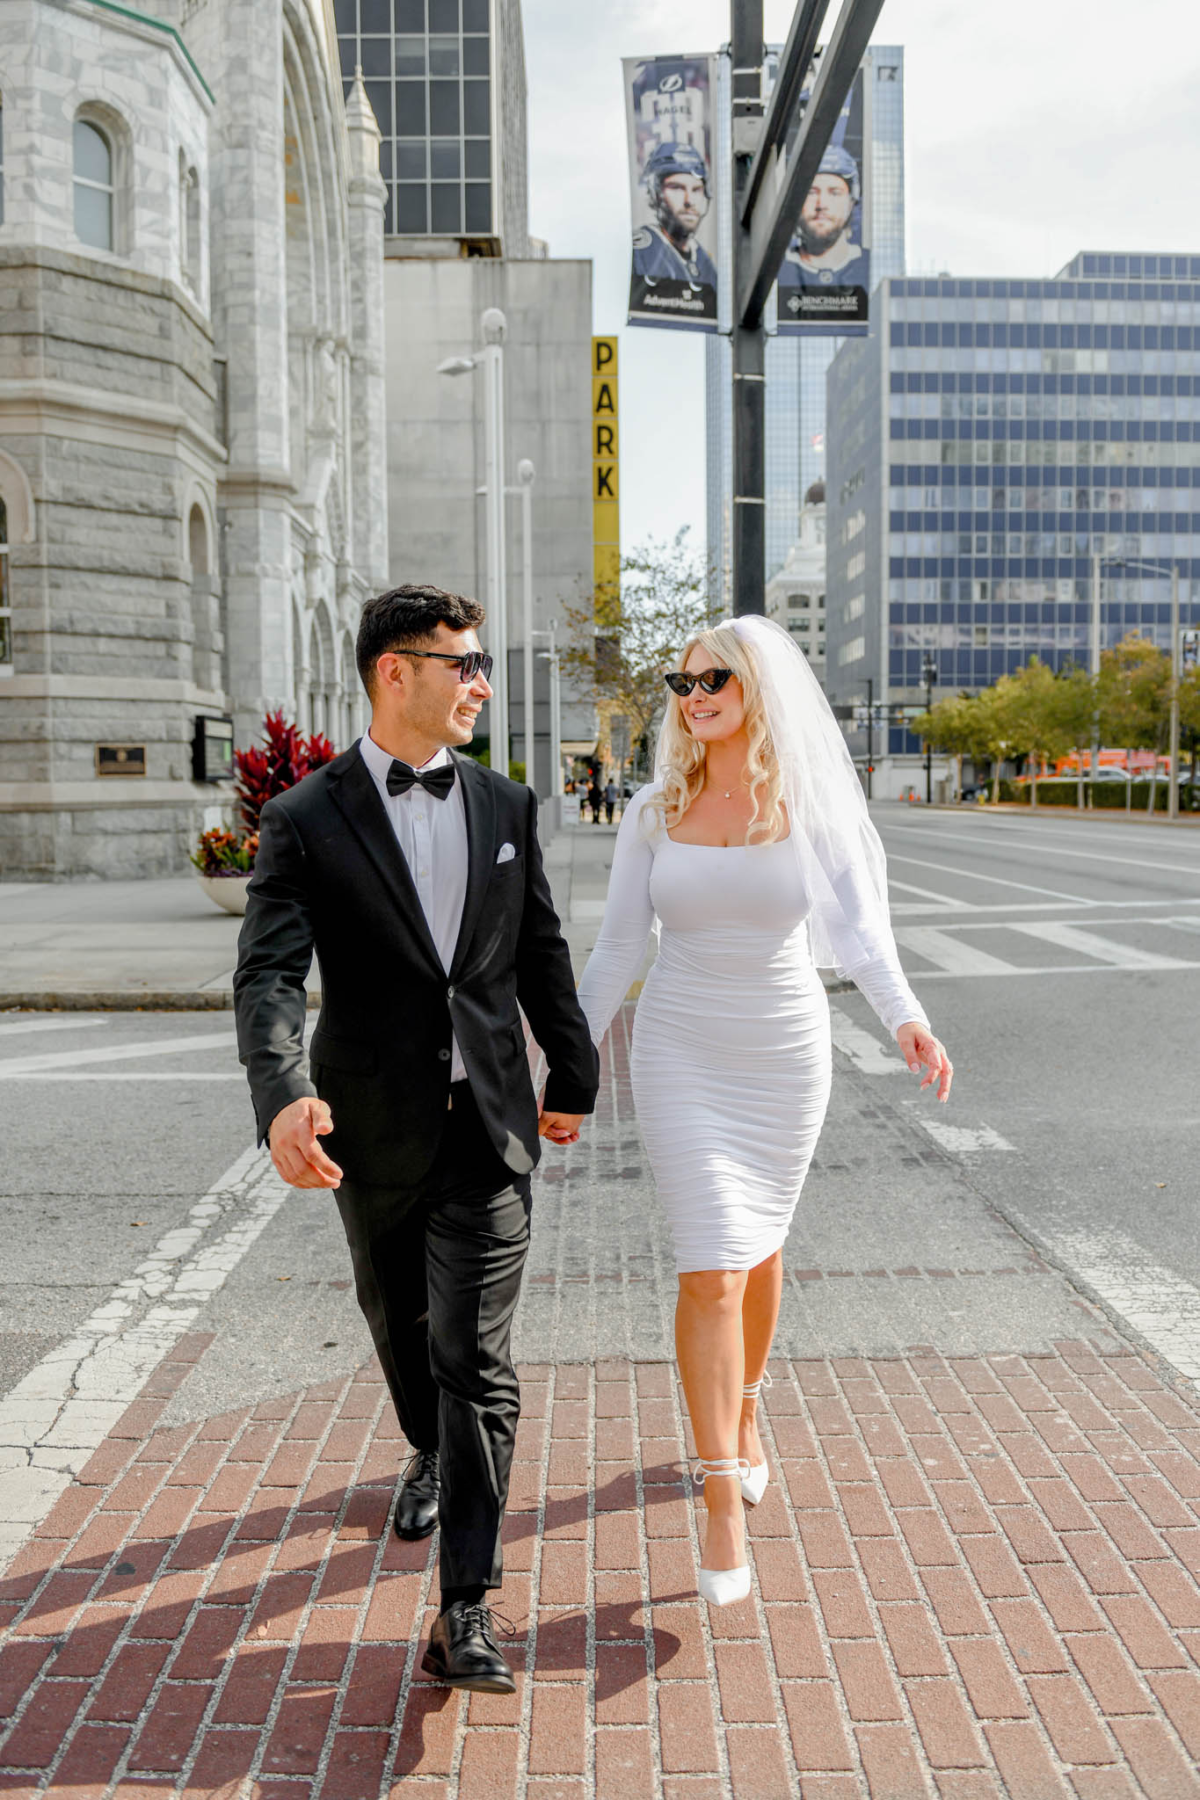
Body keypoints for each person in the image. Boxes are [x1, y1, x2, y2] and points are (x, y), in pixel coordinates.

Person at [233, 584, 599, 1692]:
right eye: (465, 663)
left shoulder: (506, 804)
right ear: (397, 672)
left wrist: (574, 1067)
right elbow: (268, 972)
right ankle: (425, 1447)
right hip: (371, 1127)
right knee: (402, 1327)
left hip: (490, 1123)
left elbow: (538, 951)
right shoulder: (304, 816)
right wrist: (283, 1093)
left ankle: (466, 1605)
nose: (480, 682)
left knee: (476, 1361)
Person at [576, 616, 951, 1607]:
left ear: (758, 692)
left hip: (785, 1053)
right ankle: (717, 1499)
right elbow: (617, 950)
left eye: (715, 683)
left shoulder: (811, 807)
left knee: (760, 1248)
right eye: (683, 683)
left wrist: (907, 1021)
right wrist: (565, 1056)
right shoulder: (654, 812)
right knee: (709, 1268)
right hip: (682, 1049)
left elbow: (864, 939)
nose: (695, 699)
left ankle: (745, 1412)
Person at [777, 145, 869, 292]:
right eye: (811, 192)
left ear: (851, 202)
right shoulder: (775, 267)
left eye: (834, 193)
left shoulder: (870, 265)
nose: (822, 204)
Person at [631, 141, 718, 290]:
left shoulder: (705, 263)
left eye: (696, 190)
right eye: (677, 188)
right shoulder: (640, 252)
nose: (689, 201)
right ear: (656, 193)